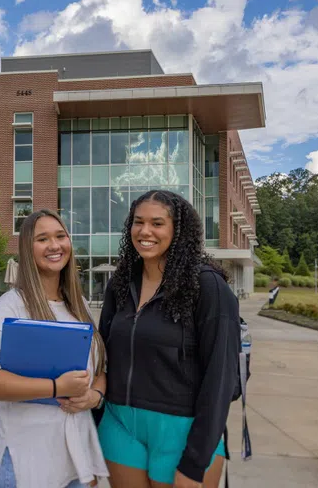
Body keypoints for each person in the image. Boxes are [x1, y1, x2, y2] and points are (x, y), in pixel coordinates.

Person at [96, 190, 240, 488]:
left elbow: (221, 377)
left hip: (181, 426)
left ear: (178, 231)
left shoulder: (207, 286)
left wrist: (195, 461)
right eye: (138, 222)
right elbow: (103, 357)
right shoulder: (120, 283)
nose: (145, 231)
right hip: (120, 423)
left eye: (157, 223)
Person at [0, 209, 109, 488]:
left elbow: (100, 370)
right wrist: (56, 387)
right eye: (42, 239)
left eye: (60, 236)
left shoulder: (77, 306)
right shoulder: (11, 307)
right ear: (27, 249)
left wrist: (94, 396)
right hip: (24, 462)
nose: (55, 245)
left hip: (75, 458)